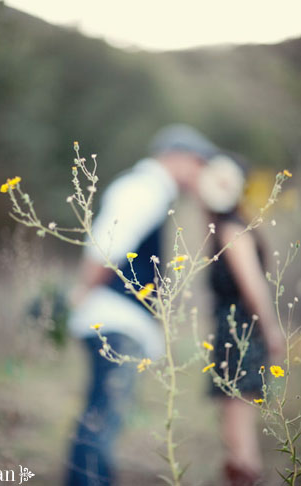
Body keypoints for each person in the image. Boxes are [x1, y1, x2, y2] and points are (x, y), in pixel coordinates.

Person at [66, 124, 219, 486]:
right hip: (117, 321)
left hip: (118, 319)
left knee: (100, 417)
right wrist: (82, 293)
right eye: (198, 162)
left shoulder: (152, 190)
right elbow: (105, 248)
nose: (200, 171)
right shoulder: (144, 188)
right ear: (175, 157)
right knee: (103, 419)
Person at [198, 154, 285, 486]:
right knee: (236, 422)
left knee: (237, 427)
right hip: (237, 330)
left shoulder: (231, 230)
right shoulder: (229, 228)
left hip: (240, 332)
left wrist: (272, 330)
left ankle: (246, 477)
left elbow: (254, 288)